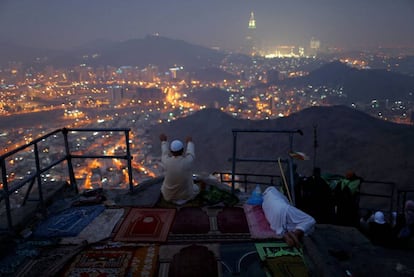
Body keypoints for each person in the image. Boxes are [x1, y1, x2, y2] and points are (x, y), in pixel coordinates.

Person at [159, 133, 199, 205]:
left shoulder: (166, 161)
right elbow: (191, 153)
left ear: (171, 152)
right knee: (196, 188)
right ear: (183, 150)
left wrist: (164, 142)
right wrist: (189, 142)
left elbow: (164, 153)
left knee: (163, 187)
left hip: (168, 196)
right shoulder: (187, 162)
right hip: (186, 196)